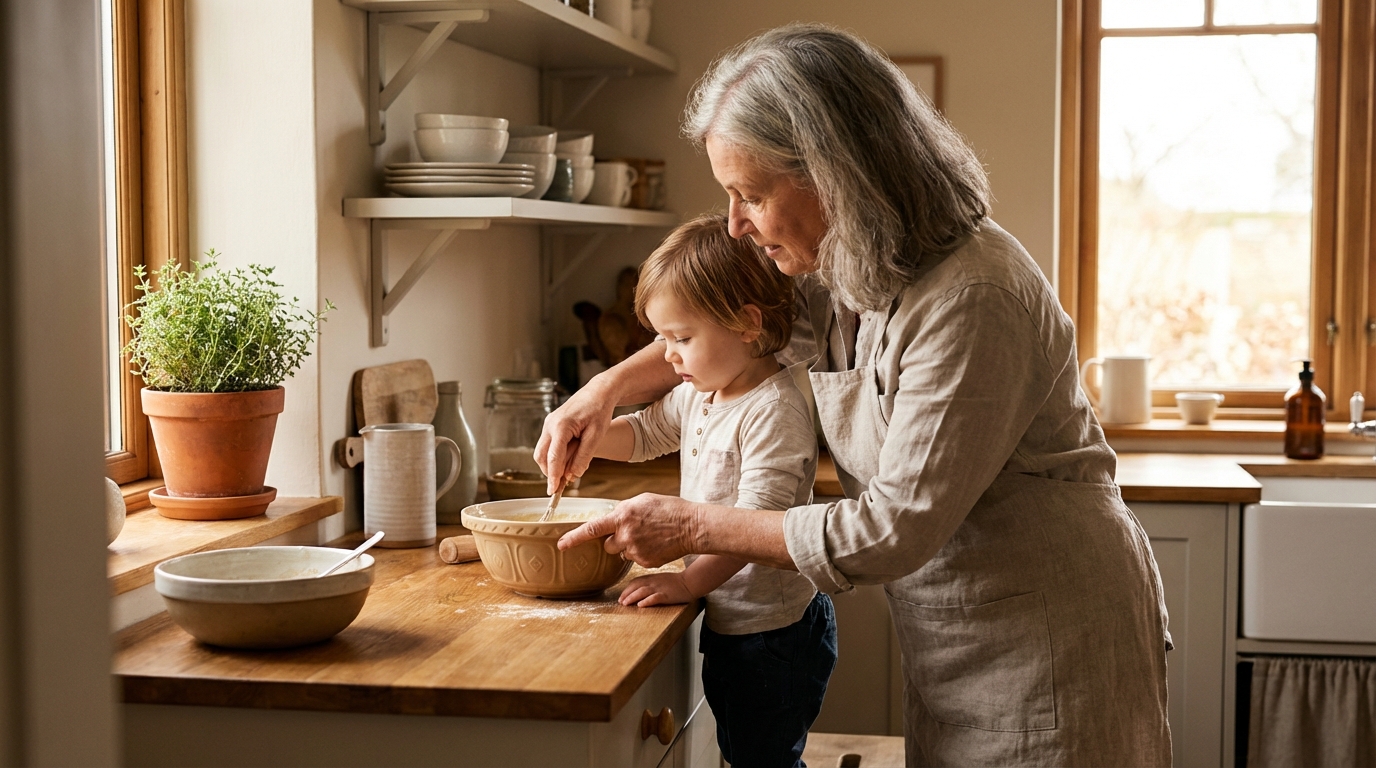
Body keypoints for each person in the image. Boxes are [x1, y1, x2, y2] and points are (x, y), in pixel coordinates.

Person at [540, 23, 1174, 766]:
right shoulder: (846, 266)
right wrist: (602, 392)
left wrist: (690, 528)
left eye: (750, 195)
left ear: (833, 172)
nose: (738, 227)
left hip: (1055, 648)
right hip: (957, 635)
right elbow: (726, 330)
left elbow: (890, 530)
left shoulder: (973, 296)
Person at [589, 213, 836, 767]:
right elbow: (646, 433)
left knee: (763, 759)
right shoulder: (701, 393)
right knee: (742, 751)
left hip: (774, 632)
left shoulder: (772, 411)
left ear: (747, 324)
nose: (668, 356)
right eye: (662, 339)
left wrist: (687, 581)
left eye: (681, 338)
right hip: (731, 618)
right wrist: (590, 436)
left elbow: (755, 523)